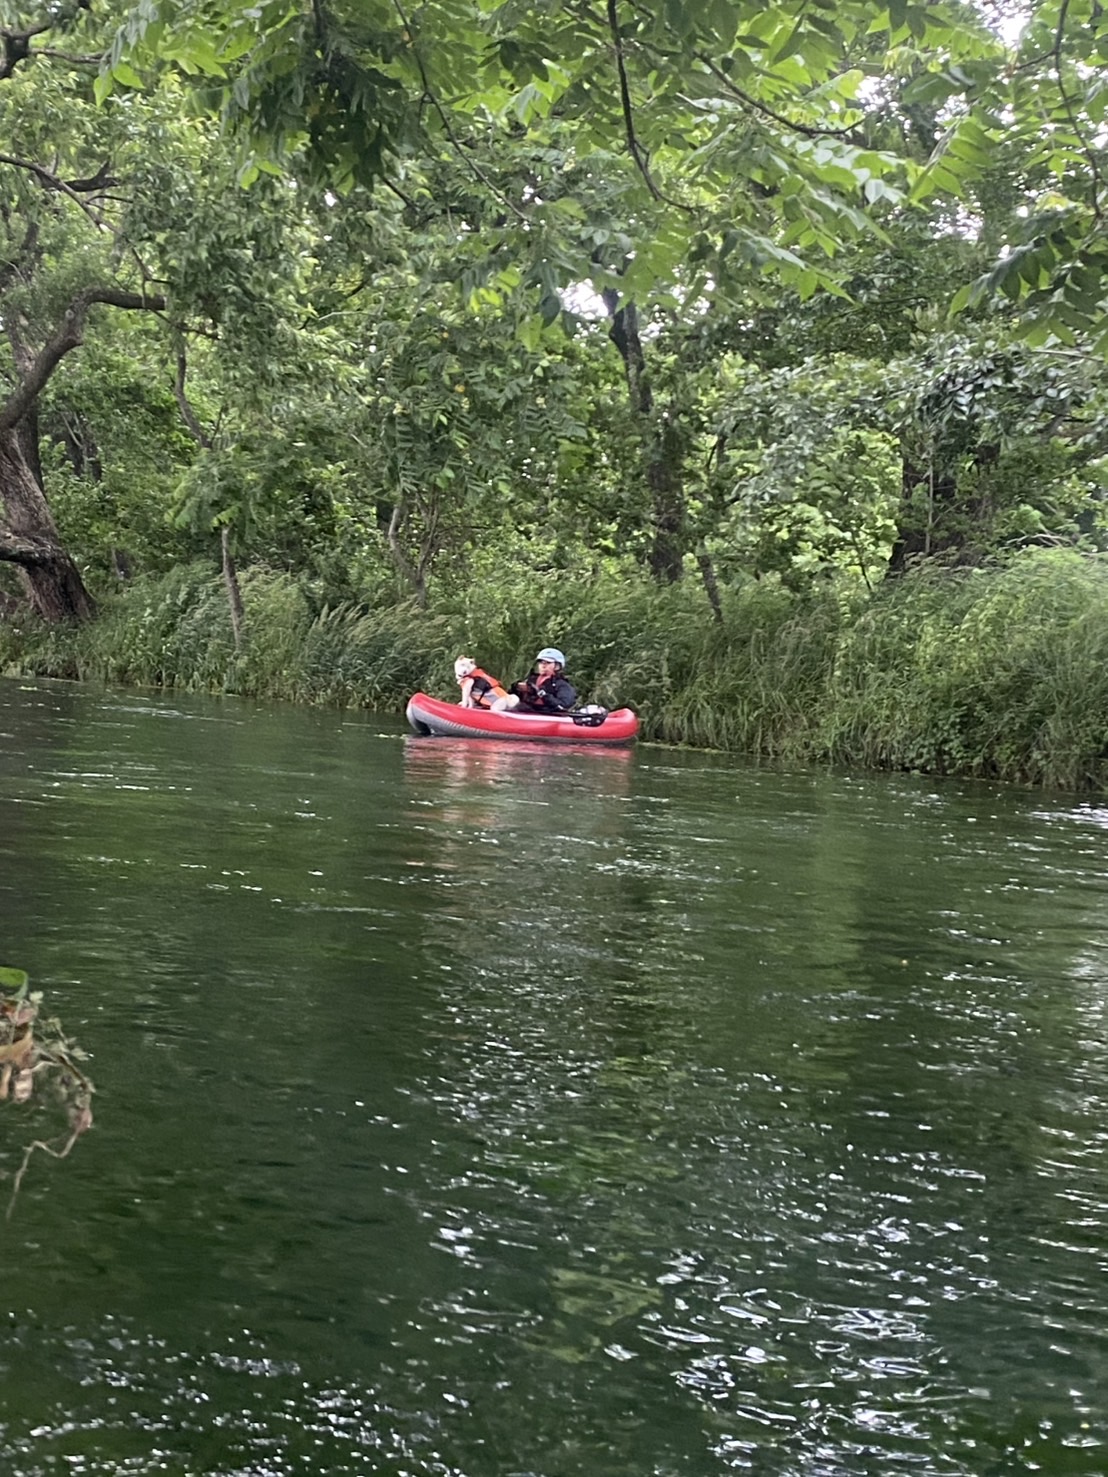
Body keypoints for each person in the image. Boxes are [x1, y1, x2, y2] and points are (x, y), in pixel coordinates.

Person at [492, 647, 577, 713]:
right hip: (527, 711)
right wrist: (516, 688)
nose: (543, 666)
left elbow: (563, 706)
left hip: (545, 714)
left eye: (548, 663)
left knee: (520, 707)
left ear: (557, 666)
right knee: (512, 699)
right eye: (541, 662)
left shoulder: (562, 685)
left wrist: (542, 694)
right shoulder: (532, 679)